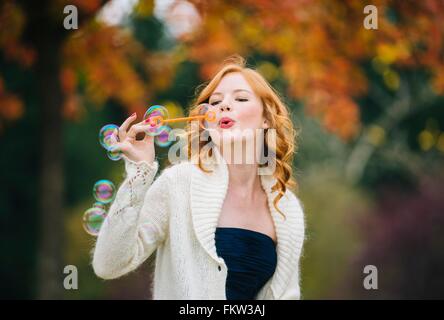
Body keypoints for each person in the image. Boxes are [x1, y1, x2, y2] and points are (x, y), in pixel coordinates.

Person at [92, 55, 306, 300]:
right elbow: (108, 264)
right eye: (215, 102)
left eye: (241, 98)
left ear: (266, 118)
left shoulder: (286, 208)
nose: (224, 106)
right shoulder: (179, 184)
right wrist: (139, 174)